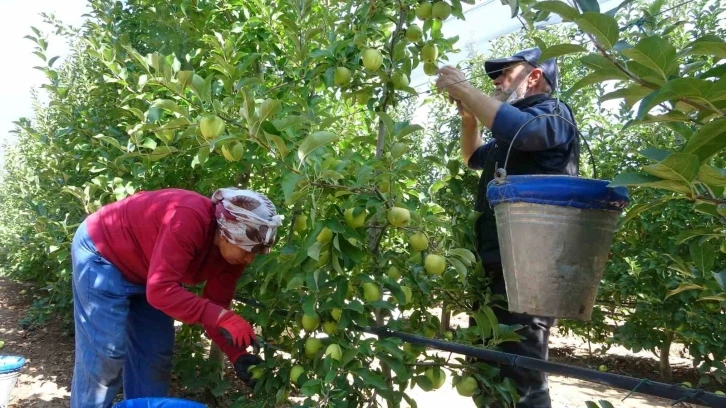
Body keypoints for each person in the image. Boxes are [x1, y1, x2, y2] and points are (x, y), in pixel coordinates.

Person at [435, 47, 580, 407]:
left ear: (534, 77)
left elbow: (524, 132)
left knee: (521, 375)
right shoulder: (507, 135)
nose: (496, 81)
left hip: (530, 267)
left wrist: (467, 89)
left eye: (505, 73)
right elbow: (472, 157)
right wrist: (469, 120)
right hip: (494, 263)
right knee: (487, 368)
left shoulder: (553, 113)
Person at [70, 187, 282, 408]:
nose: (249, 259)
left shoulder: (233, 259)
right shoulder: (188, 218)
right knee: (105, 353)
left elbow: (214, 310)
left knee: (154, 353)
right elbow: (162, 290)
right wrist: (223, 317)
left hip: (150, 270)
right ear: (229, 233)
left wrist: (238, 355)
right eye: (247, 250)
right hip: (103, 252)